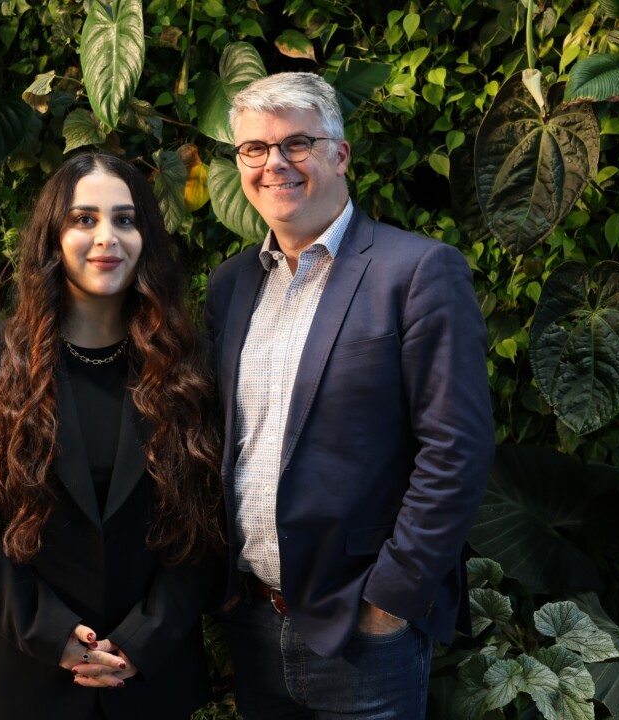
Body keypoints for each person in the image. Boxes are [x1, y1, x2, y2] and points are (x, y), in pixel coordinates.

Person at [204, 72, 495, 719]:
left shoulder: (416, 272)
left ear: (341, 155)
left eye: (296, 143)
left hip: (363, 635)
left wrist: (388, 603)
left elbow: (457, 451)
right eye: (254, 148)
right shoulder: (231, 287)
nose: (274, 163)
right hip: (253, 622)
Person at [0, 153, 224, 719]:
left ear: (147, 238)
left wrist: (144, 638)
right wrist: (52, 633)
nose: (106, 238)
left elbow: (206, 516)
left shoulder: (189, 367)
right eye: (83, 219)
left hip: (145, 683)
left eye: (125, 219)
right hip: (19, 680)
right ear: (53, 236)